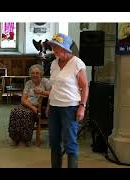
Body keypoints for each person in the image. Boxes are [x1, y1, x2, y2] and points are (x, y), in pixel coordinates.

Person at [46, 33, 89, 168]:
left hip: (70, 108)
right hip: (54, 107)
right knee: (53, 142)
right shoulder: (54, 63)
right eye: (53, 47)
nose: (54, 50)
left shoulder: (77, 63)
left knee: (70, 143)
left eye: (56, 47)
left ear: (65, 48)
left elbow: (84, 86)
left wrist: (82, 106)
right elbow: (53, 86)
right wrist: (48, 104)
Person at [8, 64, 51, 146]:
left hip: (41, 107)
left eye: (37, 73)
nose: (35, 75)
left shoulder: (45, 82)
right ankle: (15, 138)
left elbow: (52, 93)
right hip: (29, 105)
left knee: (25, 114)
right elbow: (23, 99)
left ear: (41, 74)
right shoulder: (28, 83)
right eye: (33, 73)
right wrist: (31, 107)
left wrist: (41, 92)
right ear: (30, 74)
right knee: (15, 112)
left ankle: (24, 140)